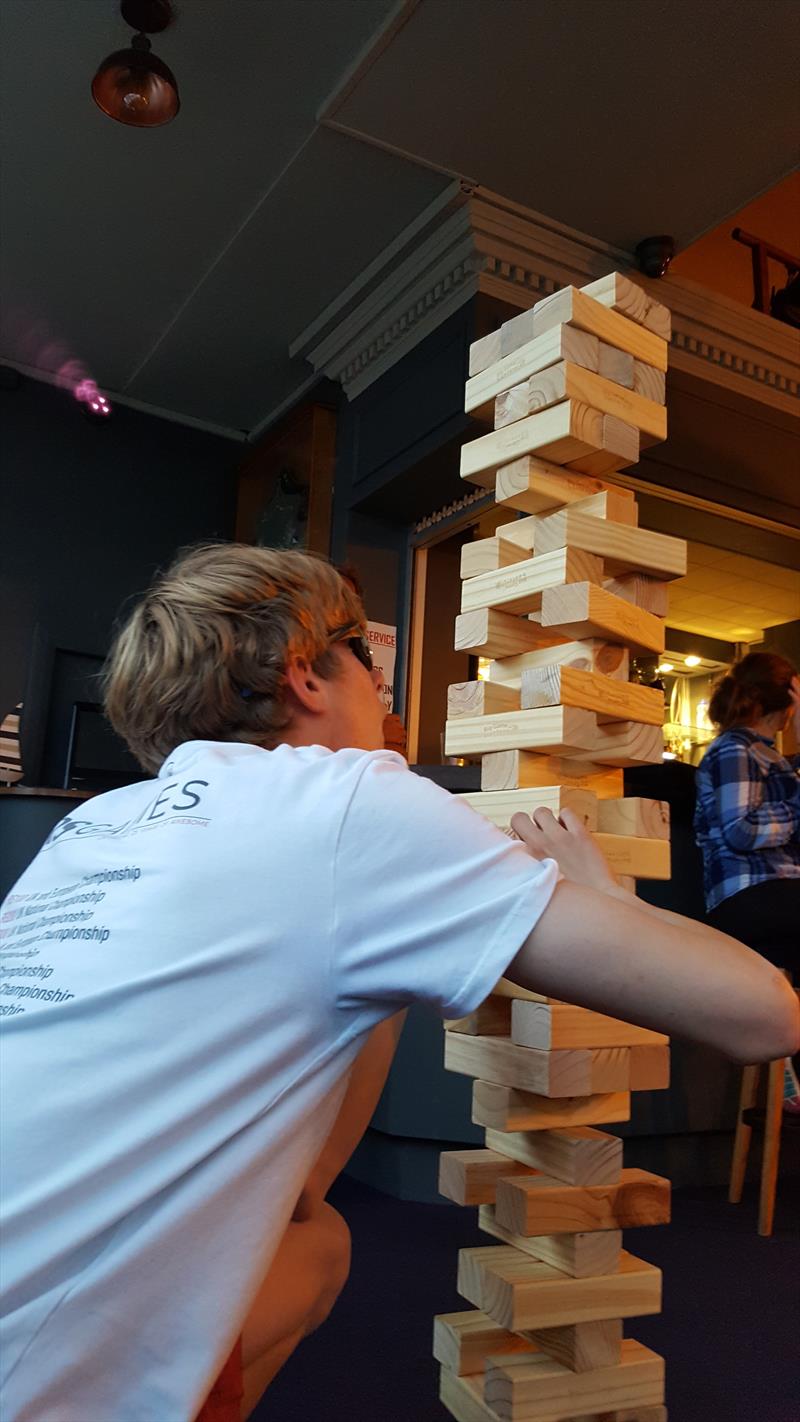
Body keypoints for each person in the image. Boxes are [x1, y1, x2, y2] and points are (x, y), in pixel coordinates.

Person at [0, 545, 797, 1422]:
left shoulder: (91, 825)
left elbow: (299, 1186)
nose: (384, 696)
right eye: (368, 660)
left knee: (316, 1246)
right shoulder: (347, 800)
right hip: (37, 1383)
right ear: (306, 674)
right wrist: (602, 895)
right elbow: (765, 1014)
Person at [694, 651, 800, 979]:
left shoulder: (767, 754)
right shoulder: (734, 748)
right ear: (787, 700)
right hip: (750, 891)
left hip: (774, 891)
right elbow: (741, 828)